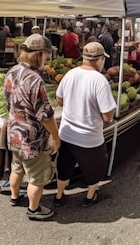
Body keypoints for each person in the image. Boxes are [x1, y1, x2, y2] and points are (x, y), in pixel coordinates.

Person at [4, 34, 60, 220]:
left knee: (17, 167)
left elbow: (8, 100)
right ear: (39, 55)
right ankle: (34, 209)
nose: (47, 58)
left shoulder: (12, 71)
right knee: (37, 177)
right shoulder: (35, 80)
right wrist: (55, 136)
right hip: (31, 138)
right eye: (46, 54)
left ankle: (14, 197)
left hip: (14, 133)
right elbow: (45, 115)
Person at [54, 42, 116, 208]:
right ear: (100, 60)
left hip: (66, 134)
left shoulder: (70, 74)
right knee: (95, 168)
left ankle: (59, 196)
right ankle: (89, 197)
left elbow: (59, 100)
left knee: (64, 166)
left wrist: (74, 107)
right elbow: (108, 116)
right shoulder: (100, 81)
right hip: (89, 138)